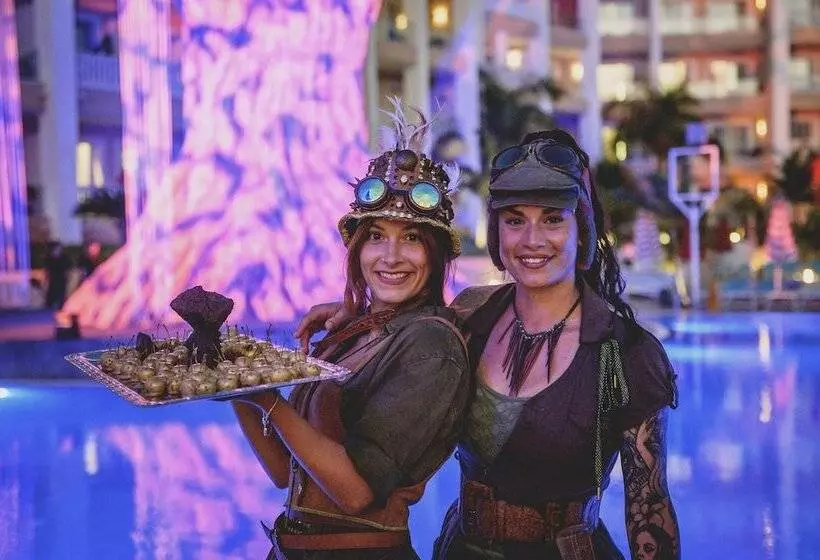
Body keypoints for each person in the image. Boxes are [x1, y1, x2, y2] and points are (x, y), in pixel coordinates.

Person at [295, 129, 681, 559]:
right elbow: (407, 325)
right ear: (498, 232)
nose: (532, 240)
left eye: (552, 219)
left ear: (581, 229)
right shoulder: (469, 315)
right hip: (462, 548)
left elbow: (649, 507)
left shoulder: (627, 353)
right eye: (514, 220)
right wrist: (357, 311)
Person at [232, 105, 471, 560]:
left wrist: (268, 398)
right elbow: (283, 471)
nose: (391, 256)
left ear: (436, 254)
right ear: (357, 248)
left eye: (413, 238)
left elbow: (356, 493)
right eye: (376, 236)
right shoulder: (351, 333)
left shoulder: (431, 345)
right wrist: (237, 386)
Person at [44, 241, 72, 310]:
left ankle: (61, 306)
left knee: (61, 294)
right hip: (53, 279)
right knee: (51, 295)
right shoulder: (49, 258)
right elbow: (47, 270)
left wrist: (68, 277)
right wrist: (46, 278)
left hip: (61, 279)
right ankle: (49, 306)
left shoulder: (64, 258)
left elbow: (68, 269)